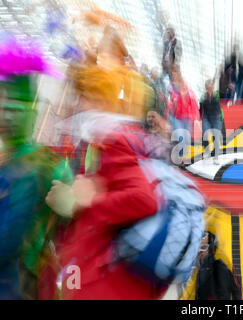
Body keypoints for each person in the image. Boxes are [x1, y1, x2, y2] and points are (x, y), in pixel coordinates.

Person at [46, 65, 168, 300]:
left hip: (108, 284)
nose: (78, 105)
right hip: (89, 275)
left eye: (85, 98)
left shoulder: (118, 140)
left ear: (103, 102)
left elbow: (144, 200)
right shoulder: (97, 143)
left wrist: (83, 202)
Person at [0, 35, 72, 300]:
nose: (6, 115)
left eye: (15, 107)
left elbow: (70, 220)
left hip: (24, 282)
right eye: (2, 106)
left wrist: (70, 204)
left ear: (33, 111)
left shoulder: (51, 164)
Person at [199, 80, 223, 162]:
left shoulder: (217, 94)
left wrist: (229, 89)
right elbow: (201, 108)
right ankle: (206, 151)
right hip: (206, 117)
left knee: (215, 136)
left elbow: (224, 95)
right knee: (205, 133)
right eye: (209, 87)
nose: (210, 88)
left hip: (216, 117)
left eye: (212, 86)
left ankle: (215, 156)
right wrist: (199, 117)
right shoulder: (203, 96)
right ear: (206, 88)